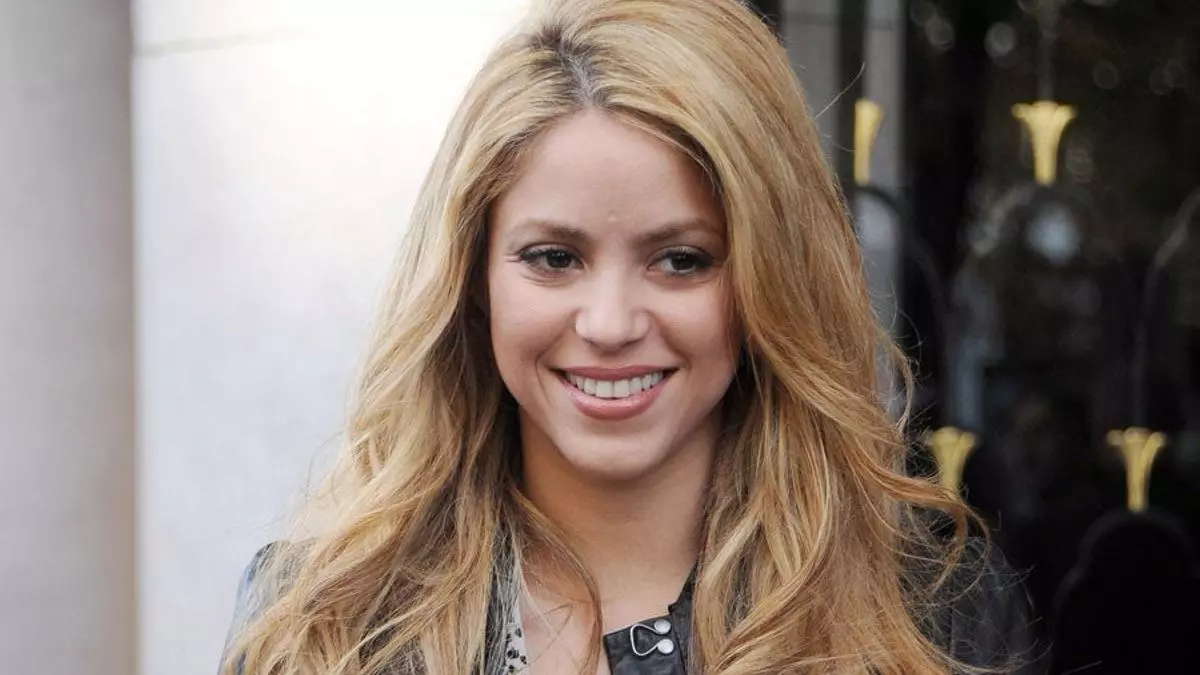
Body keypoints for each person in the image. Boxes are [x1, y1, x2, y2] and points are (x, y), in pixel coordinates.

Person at [219, 0, 1038, 673]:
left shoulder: (931, 612)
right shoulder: (325, 620)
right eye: (554, 258)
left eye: (681, 260)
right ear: (472, 279)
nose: (609, 324)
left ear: (770, 279)